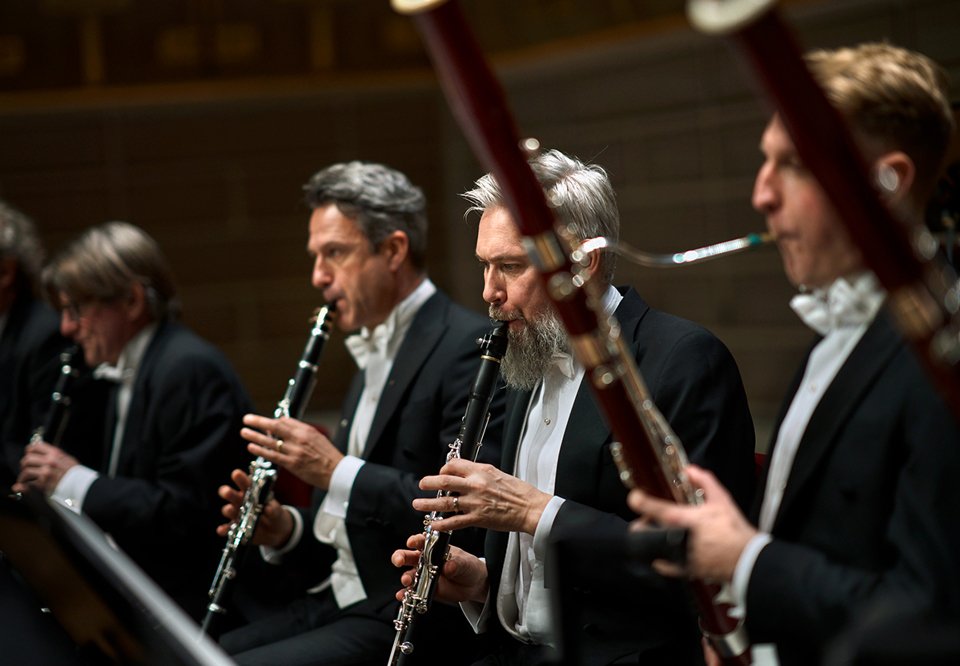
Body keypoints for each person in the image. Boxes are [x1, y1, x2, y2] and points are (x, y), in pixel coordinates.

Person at [627, 43, 960, 666]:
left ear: (888, 182)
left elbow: (930, 620)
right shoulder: (839, 318)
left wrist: (744, 559)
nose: (761, 194)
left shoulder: (942, 354)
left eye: (792, 165)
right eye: (764, 162)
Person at [392, 149, 757, 665]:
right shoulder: (527, 354)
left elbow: (696, 561)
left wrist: (531, 511)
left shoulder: (683, 361)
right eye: (484, 266)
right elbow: (548, 573)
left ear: (583, 265)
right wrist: (482, 583)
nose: (489, 292)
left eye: (510, 267)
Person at [216, 161, 506, 666]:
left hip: (412, 613)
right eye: (316, 256)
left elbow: (459, 514)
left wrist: (333, 469)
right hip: (342, 597)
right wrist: (287, 529)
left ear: (393, 250)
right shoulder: (369, 349)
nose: (318, 277)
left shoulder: (465, 346)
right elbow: (360, 528)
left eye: (335, 254)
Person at [12, 221, 254, 620]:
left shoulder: (187, 369)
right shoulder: (123, 368)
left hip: (204, 601)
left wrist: (71, 481)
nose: (66, 327)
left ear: (131, 301)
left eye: (76, 309)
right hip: (152, 585)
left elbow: (183, 516)